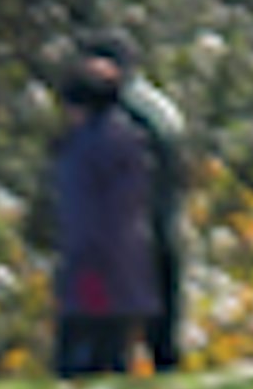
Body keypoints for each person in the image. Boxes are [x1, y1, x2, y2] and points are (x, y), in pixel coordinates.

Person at [45, 48, 161, 379]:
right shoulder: (131, 140)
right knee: (113, 351)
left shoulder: (84, 149)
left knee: (82, 355)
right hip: (125, 263)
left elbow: (82, 213)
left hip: (92, 269)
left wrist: (78, 259)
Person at [81, 28, 189, 369]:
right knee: (163, 329)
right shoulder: (158, 106)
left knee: (112, 328)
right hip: (162, 222)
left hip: (132, 230)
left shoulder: (122, 112)